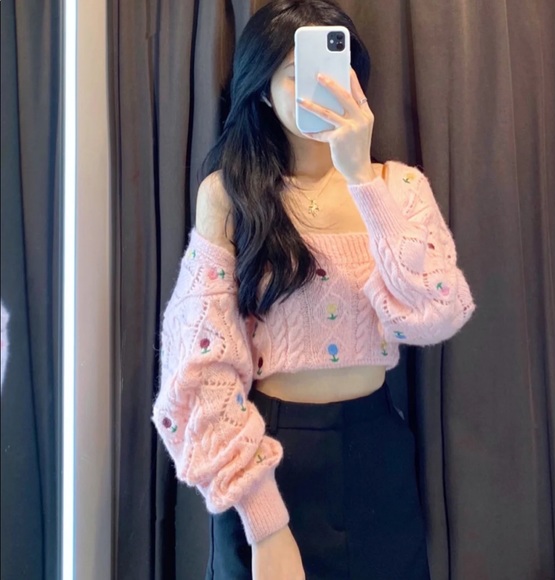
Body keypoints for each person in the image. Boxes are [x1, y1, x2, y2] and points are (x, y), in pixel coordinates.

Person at [151, 1, 476, 578]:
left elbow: (437, 311)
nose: (320, 88)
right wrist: (266, 524)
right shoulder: (229, 196)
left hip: (377, 452)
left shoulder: (399, 188)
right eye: (296, 74)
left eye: (332, 70)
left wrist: (361, 178)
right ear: (261, 90)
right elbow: (200, 367)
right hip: (268, 458)